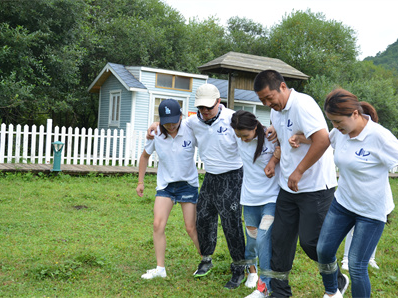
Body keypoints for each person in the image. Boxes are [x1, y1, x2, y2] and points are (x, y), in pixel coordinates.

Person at [316, 88, 398, 298]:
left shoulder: (379, 136)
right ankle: (333, 292)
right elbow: (322, 140)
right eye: (332, 122)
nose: (335, 127)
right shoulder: (340, 133)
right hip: (343, 204)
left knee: (357, 266)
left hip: (371, 211)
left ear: (355, 114)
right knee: (323, 250)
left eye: (338, 122)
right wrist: (299, 138)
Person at [253, 70, 348, 297]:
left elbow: (322, 139)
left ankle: (337, 282)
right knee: (280, 240)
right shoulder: (277, 110)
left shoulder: (303, 104)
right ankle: (280, 292)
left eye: (269, 98)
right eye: (262, 101)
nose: (267, 103)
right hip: (288, 187)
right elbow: (286, 132)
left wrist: (299, 171)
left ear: (282, 87)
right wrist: (275, 153)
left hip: (314, 187)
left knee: (312, 242)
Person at [147, 84, 246, 289]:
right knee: (203, 218)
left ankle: (239, 268)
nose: (205, 111)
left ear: (219, 102)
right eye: (201, 107)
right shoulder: (193, 121)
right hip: (210, 176)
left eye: (209, 106)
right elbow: (172, 123)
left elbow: (254, 131)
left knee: (231, 223)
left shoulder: (233, 118)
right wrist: (156, 123)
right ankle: (206, 259)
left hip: (233, 175)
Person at [136, 99, 200, 280]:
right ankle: (160, 268)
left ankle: (205, 260)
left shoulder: (190, 129)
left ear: (181, 116)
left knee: (190, 227)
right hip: (165, 185)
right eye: (166, 122)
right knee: (158, 224)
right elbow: (144, 157)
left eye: (174, 121)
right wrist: (141, 182)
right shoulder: (156, 133)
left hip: (188, 184)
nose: (171, 126)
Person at [230, 110, 281, 298]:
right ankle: (253, 272)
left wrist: (276, 158)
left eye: (245, 135)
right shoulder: (237, 137)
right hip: (249, 199)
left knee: (262, 239)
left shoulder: (271, 136)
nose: (242, 139)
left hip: (271, 198)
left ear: (255, 127)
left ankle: (265, 286)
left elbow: (290, 141)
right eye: (239, 136)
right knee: (251, 239)